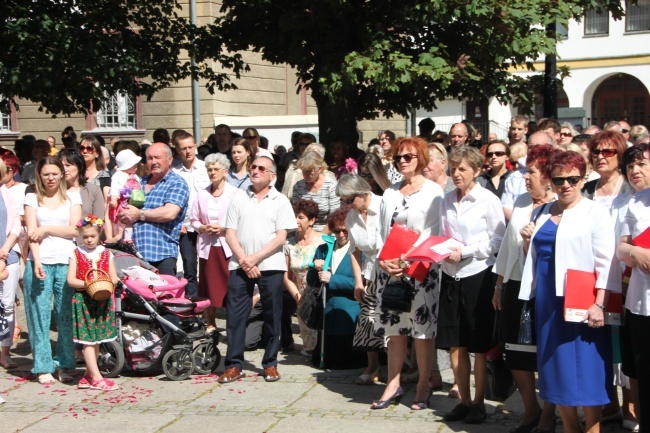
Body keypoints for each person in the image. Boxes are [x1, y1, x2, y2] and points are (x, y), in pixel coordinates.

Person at [519, 151, 620, 433]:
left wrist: (600, 304)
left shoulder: (595, 213)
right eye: (559, 179)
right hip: (548, 304)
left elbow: (607, 262)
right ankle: (569, 428)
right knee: (556, 371)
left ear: (583, 179)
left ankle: (593, 428)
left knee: (587, 372)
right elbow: (533, 260)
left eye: (572, 179)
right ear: (550, 181)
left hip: (582, 304)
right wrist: (528, 240)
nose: (566, 185)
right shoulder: (540, 211)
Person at [372, 136, 443, 411]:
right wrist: (382, 259)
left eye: (409, 157)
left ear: (421, 159)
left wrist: (407, 258)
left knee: (422, 331)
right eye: (399, 156)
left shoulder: (433, 192)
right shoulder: (389, 192)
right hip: (391, 270)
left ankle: (424, 384)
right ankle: (393, 382)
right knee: (395, 329)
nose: (402, 161)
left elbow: (432, 231)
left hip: (421, 269)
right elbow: (380, 231)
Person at [492, 145, 558, 433]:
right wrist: (499, 283)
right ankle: (531, 409)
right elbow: (507, 246)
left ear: (546, 174)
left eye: (531, 172)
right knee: (515, 350)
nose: (526, 177)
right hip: (515, 284)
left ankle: (550, 412)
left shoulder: (560, 205)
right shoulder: (520, 201)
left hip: (545, 288)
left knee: (546, 352)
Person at [437, 146, 506, 424]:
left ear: (476, 171)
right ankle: (463, 401)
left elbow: (497, 240)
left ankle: (479, 402)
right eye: (453, 169)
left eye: (462, 169)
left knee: (477, 343)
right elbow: (441, 234)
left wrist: (465, 251)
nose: (457, 174)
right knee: (456, 342)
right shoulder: (446, 200)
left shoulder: (487, 200)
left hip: (477, 273)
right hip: (450, 274)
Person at [218, 156, 297, 384]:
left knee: (273, 315)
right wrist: (245, 260)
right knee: (234, 316)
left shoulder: (280, 200)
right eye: (253, 167)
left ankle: (270, 363)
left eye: (261, 168)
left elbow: (281, 237)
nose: (255, 170)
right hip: (240, 265)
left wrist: (255, 259)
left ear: (272, 176)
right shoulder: (238, 197)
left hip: (270, 265)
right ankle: (234, 365)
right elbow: (229, 233)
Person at [23, 156, 82, 385]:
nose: (50, 178)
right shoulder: (31, 198)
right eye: (46, 174)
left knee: (65, 316)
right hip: (40, 260)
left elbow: (74, 230)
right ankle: (43, 365)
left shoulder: (72, 197)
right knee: (40, 315)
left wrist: (46, 228)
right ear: (40, 175)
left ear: (61, 174)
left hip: (67, 261)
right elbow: (32, 233)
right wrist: (36, 260)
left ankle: (65, 363)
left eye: (54, 174)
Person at [336, 174, 384, 384]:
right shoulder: (351, 217)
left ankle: (409, 367)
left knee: (396, 322)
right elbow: (354, 252)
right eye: (343, 201)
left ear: (363, 193)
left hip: (393, 271)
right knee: (367, 321)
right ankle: (373, 367)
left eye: (350, 200)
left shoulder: (384, 205)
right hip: (370, 273)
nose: (347, 205)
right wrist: (358, 282)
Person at [117, 143, 190, 275]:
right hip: (134, 255)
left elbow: (169, 213)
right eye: (150, 158)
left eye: (157, 157)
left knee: (163, 295)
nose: (153, 162)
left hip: (161, 255)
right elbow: (126, 208)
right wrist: (124, 214)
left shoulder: (177, 183)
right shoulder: (139, 182)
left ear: (170, 159)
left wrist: (139, 214)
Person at [617, 143, 650, 433]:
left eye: (642, 164)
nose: (635, 171)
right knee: (643, 368)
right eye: (630, 166)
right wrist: (636, 253)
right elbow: (621, 248)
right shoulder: (632, 203)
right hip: (641, 302)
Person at [66, 214, 119, 391]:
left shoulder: (106, 253)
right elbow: (71, 280)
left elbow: (113, 277)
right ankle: (97, 378)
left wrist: (109, 283)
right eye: (85, 236)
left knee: (96, 339)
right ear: (81, 235)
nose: (89, 240)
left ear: (99, 235)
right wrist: (88, 284)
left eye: (93, 236)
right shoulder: (76, 253)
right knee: (87, 340)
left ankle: (88, 374)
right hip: (83, 300)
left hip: (101, 299)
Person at [190, 153, 241, 335]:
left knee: (231, 286)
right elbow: (193, 220)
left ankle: (233, 325)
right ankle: (210, 324)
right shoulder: (201, 194)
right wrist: (203, 227)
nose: (212, 173)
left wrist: (224, 228)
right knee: (208, 287)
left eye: (216, 169)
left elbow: (242, 221)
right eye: (209, 169)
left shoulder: (236, 194)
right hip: (207, 248)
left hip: (229, 247)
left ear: (225, 171)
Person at [308, 207, 364, 369]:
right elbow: (313, 282)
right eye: (337, 231)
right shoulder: (324, 249)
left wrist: (333, 279)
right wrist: (315, 269)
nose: (341, 235)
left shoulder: (360, 251)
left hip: (349, 312)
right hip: (327, 313)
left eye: (345, 231)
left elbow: (360, 283)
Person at [172, 131, 211, 298]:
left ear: (195, 146)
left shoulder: (206, 168)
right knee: (189, 266)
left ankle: (209, 302)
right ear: (177, 151)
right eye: (183, 148)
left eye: (190, 147)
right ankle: (192, 303)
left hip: (206, 226)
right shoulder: (174, 171)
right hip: (185, 227)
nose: (188, 151)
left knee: (208, 267)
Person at [283, 199, 323, 356]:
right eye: (295, 217)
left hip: (318, 293)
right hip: (300, 293)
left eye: (301, 217)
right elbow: (286, 276)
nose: (296, 221)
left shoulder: (323, 242)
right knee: (308, 343)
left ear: (312, 220)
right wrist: (298, 296)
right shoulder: (289, 244)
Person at [0, 158, 21, 369]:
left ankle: (4, 352)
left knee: (7, 306)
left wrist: (5, 248)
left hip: (8, 256)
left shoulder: (6, 192)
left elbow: (16, 224)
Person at [292, 151, 340, 232]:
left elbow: (334, 217)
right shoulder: (298, 186)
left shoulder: (331, 186)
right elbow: (296, 214)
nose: (305, 174)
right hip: (302, 231)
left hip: (325, 231)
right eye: (304, 170)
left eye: (310, 171)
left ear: (320, 169)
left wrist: (319, 237)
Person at [582, 131, 632, 203]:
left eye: (607, 152)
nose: (600, 157)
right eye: (596, 152)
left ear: (620, 155)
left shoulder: (631, 187)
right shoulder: (586, 189)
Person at [105, 149, 141, 242]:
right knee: (120, 220)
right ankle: (116, 236)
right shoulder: (118, 175)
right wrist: (113, 199)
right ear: (128, 166)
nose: (136, 167)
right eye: (134, 165)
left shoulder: (135, 176)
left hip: (131, 201)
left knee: (129, 220)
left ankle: (127, 238)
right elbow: (114, 188)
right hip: (120, 201)